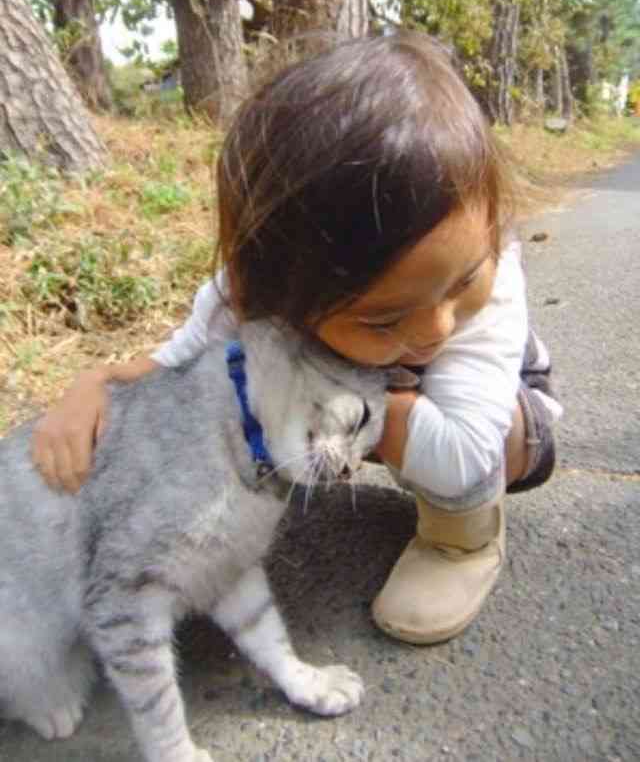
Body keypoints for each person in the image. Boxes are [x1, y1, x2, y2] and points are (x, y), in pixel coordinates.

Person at [31, 32, 562, 645]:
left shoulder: (481, 297)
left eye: (462, 279)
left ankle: (461, 540)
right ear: (281, 292)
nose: (435, 326)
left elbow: (465, 451)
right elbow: (177, 367)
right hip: (366, 389)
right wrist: (95, 387)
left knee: (484, 441)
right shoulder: (258, 291)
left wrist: (318, 386)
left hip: (502, 417)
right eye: (384, 318)